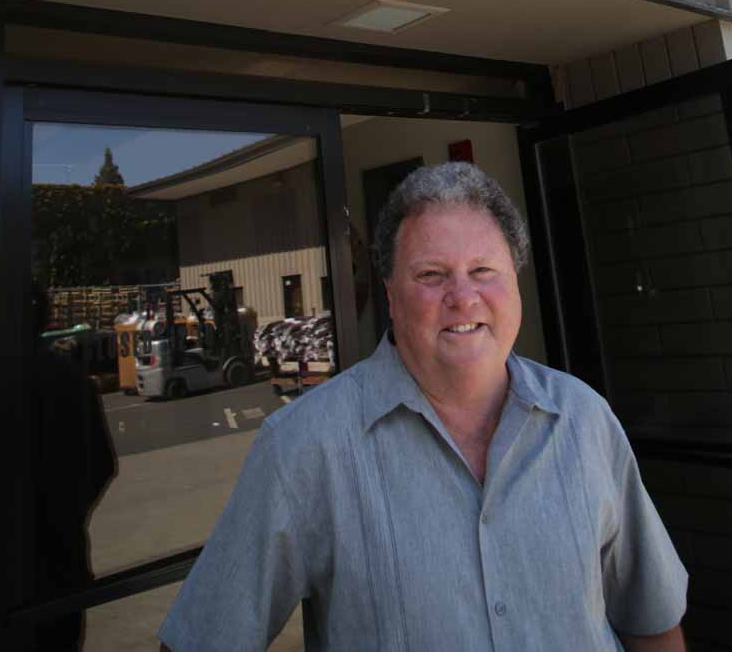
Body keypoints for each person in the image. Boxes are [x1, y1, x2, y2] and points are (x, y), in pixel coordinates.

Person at [160, 163, 687, 651]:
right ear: (390, 294)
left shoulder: (584, 419)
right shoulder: (304, 446)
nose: (463, 297)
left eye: (484, 270)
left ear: (515, 282)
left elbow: (653, 621)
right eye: (432, 275)